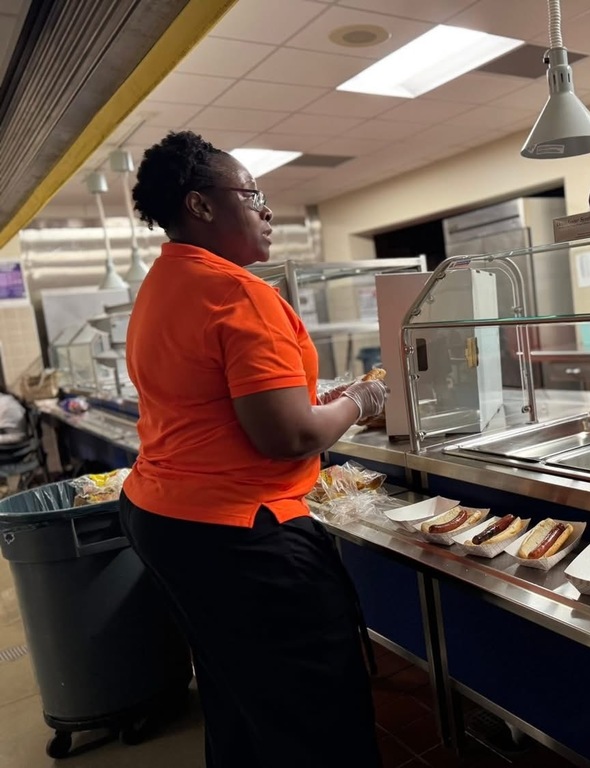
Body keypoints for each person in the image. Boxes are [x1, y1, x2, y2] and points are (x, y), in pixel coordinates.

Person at [120, 130, 388, 768]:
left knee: (241, 701)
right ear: (201, 206)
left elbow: (214, 392)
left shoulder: (163, 283)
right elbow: (286, 436)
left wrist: (313, 394)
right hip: (241, 537)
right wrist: (361, 403)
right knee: (315, 718)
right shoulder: (240, 292)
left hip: (163, 518)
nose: (268, 210)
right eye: (253, 194)